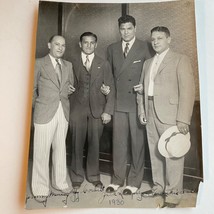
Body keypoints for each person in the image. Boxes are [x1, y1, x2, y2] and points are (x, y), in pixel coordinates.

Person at [136, 26, 195, 207]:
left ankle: (173, 193)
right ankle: (158, 187)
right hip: (150, 108)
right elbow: (141, 90)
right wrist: (142, 110)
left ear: (169, 39)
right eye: (153, 39)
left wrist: (183, 118)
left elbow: (188, 91)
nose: (155, 42)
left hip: (171, 113)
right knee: (155, 151)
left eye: (160, 38)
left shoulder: (180, 60)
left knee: (173, 152)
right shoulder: (147, 63)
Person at [105, 15, 151, 195]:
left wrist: (144, 87)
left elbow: (151, 74)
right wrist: (105, 87)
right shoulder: (112, 48)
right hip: (118, 103)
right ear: (119, 30)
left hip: (136, 103)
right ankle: (117, 179)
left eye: (129, 28)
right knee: (119, 144)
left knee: (137, 144)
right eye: (122, 29)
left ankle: (134, 182)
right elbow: (109, 76)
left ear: (135, 28)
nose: (126, 32)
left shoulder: (145, 47)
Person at [69, 32, 115, 190]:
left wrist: (108, 111)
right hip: (76, 109)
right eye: (85, 42)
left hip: (97, 109)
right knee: (76, 144)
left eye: (92, 43)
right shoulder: (72, 63)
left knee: (95, 144)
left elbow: (111, 88)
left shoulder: (104, 63)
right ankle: (76, 177)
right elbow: (67, 85)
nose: (88, 45)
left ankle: (94, 176)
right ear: (80, 44)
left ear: (96, 44)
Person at [32, 35, 75, 202]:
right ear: (49, 44)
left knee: (60, 149)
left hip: (62, 112)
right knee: (41, 152)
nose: (60, 48)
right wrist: (39, 107)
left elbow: (68, 86)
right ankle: (40, 188)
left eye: (63, 45)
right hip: (44, 112)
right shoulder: (38, 63)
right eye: (57, 44)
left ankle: (60, 182)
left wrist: (68, 90)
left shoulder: (68, 65)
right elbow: (31, 89)